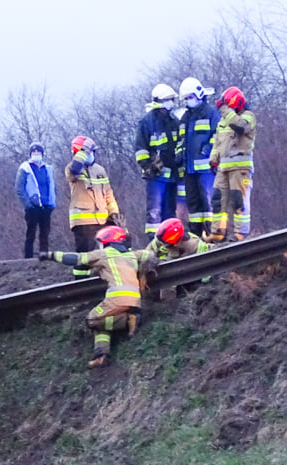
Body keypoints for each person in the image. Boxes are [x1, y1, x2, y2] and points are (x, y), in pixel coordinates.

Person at [39, 226, 140, 368]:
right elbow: (148, 256)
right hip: (135, 300)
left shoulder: (104, 254)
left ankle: (127, 320)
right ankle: (101, 355)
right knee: (103, 323)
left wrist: (50, 255)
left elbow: (78, 258)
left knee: (91, 320)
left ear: (107, 242)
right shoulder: (131, 255)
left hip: (117, 298)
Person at [65, 136, 121, 279]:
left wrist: (114, 213)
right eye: (89, 152)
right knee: (84, 258)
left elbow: (108, 193)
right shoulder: (72, 169)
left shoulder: (100, 170)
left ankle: (108, 282)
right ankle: (79, 286)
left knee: (111, 254)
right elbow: (75, 170)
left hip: (103, 220)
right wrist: (84, 149)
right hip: (84, 223)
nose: (92, 154)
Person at [209, 87, 256, 242]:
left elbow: (241, 127)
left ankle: (240, 234)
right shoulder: (223, 121)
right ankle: (217, 233)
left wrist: (226, 111)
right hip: (223, 167)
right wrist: (213, 157)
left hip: (240, 167)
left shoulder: (248, 117)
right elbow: (218, 142)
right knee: (218, 199)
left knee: (238, 200)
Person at [135, 84, 181, 241]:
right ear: (160, 101)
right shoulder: (147, 122)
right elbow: (140, 149)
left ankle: (171, 242)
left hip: (172, 175)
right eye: (168, 100)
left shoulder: (174, 120)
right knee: (154, 212)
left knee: (170, 211)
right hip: (156, 176)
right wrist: (148, 166)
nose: (171, 103)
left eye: (172, 100)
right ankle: (154, 244)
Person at [177, 77, 219, 238]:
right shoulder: (185, 118)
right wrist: (179, 154)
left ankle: (213, 234)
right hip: (189, 169)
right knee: (193, 204)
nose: (189, 101)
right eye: (186, 98)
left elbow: (218, 134)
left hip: (207, 168)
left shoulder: (210, 113)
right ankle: (195, 235)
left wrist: (207, 149)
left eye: (190, 97)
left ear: (199, 94)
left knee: (208, 201)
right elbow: (181, 140)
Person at [15, 142, 56, 258]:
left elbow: (51, 186)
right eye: (34, 152)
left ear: (42, 154)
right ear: (30, 153)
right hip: (32, 207)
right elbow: (19, 188)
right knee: (30, 233)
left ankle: (44, 257)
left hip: (46, 206)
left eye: (38, 152)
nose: (36, 154)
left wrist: (52, 203)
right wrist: (28, 204)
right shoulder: (25, 168)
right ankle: (28, 258)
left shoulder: (47, 168)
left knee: (45, 234)